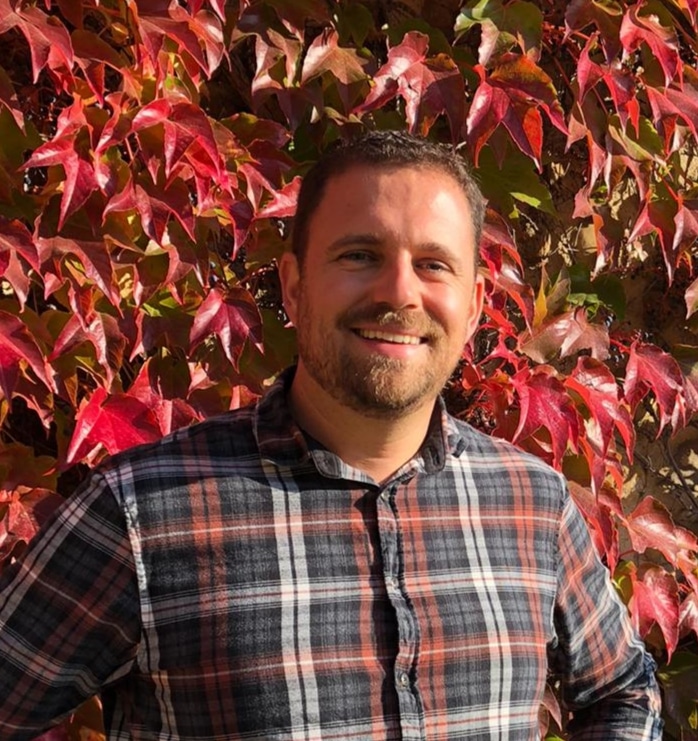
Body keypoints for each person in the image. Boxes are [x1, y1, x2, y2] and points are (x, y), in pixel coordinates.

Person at [0, 130, 662, 740]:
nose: (399, 293)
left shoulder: (533, 506)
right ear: (293, 286)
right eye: (360, 255)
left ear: (475, 305)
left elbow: (624, 692)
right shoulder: (141, 515)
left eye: (434, 264)